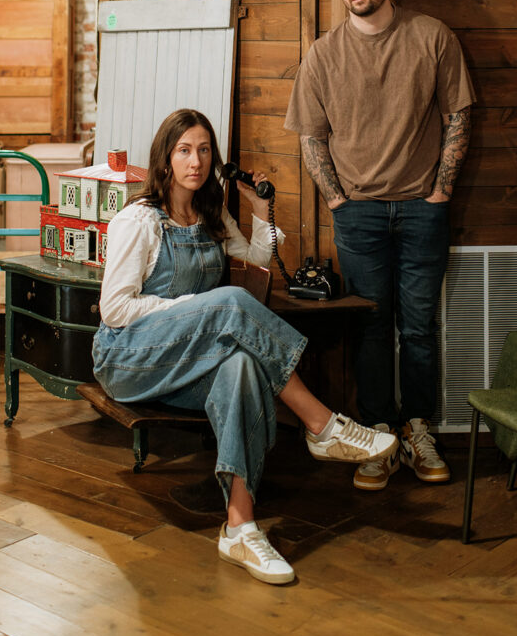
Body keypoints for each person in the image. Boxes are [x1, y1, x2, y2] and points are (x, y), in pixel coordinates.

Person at [93, 107, 397, 586]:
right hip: (129, 357)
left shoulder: (212, 216)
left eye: (204, 150)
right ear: (166, 158)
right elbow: (115, 310)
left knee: (239, 367)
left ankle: (240, 525)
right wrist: (199, 307)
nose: (195, 161)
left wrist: (257, 208)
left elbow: (257, 263)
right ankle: (321, 424)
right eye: (184, 150)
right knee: (228, 303)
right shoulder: (139, 219)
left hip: (185, 358)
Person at [284, 0, 474, 492]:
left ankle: (418, 429)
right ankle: (377, 436)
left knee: (418, 328)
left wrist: (441, 192)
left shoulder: (431, 36)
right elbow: (312, 139)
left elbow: (458, 116)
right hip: (358, 215)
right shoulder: (323, 54)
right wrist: (338, 200)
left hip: (423, 209)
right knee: (370, 329)